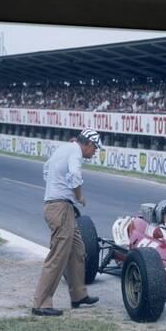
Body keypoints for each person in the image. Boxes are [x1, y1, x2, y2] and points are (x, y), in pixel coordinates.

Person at [32, 128, 101, 316]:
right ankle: (41, 303)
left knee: (78, 250)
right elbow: (75, 176)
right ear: (87, 143)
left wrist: (56, 188)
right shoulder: (76, 153)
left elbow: (46, 168)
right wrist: (79, 196)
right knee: (58, 255)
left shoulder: (64, 148)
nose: (94, 152)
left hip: (61, 205)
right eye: (94, 148)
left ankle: (78, 295)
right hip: (60, 208)